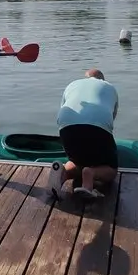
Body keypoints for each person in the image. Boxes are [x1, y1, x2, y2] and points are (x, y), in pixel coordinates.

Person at [50, 69, 119, 200]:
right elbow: (111, 118)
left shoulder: (72, 84)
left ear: (86, 78)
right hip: (98, 128)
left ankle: (63, 173)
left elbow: (63, 110)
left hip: (67, 127)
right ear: (102, 79)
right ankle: (90, 173)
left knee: (76, 161)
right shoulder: (110, 87)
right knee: (112, 169)